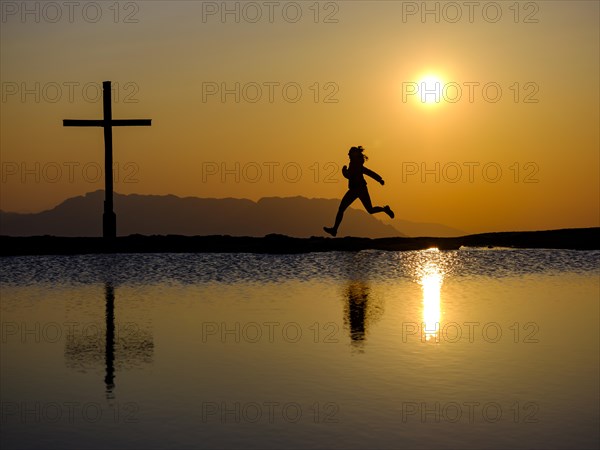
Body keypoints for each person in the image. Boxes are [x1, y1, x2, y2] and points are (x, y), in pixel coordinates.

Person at [324, 146, 394, 237]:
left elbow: (351, 175)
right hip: (361, 189)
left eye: (349, 153)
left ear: (353, 154)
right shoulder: (355, 163)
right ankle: (384, 209)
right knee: (370, 210)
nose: (348, 154)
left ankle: (334, 230)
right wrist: (379, 179)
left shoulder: (354, 164)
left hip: (356, 190)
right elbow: (367, 172)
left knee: (342, 209)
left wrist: (343, 171)